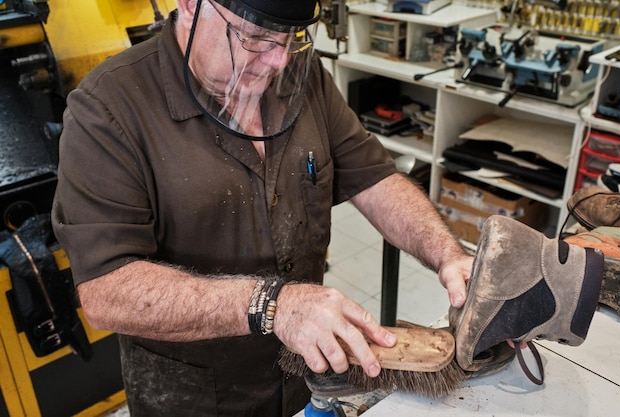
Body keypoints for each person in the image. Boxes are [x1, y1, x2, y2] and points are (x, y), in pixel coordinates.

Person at [51, 0, 473, 415]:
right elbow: (106, 291)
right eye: (254, 38)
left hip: (302, 380)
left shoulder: (301, 78)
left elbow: (374, 177)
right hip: (196, 396)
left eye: (290, 38)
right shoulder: (107, 109)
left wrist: (448, 255)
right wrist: (273, 304)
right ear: (190, 5)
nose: (277, 60)